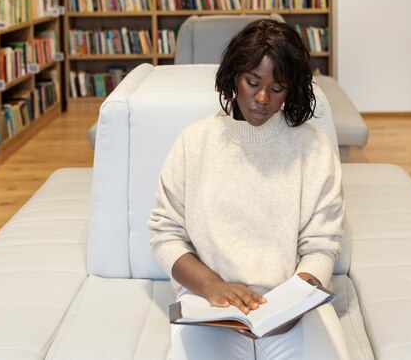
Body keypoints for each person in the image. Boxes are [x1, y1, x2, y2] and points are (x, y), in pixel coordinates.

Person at [148, 19, 349, 359]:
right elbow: (165, 235)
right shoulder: (194, 141)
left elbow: (323, 244)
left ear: (293, 89)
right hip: (209, 304)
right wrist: (212, 286)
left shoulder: (313, 148)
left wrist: (295, 300)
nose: (260, 98)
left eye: (276, 88)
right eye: (252, 82)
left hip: (292, 303)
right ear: (233, 76)